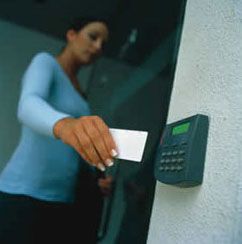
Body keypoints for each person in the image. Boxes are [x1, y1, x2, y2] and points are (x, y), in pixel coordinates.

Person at [0, 16, 118, 244]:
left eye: (103, 44)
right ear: (72, 35)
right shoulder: (46, 63)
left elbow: (73, 151)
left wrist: (95, 181)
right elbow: (28, 105)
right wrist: (67, 124)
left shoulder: (82, 97)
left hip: (61, 202)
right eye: (93, 37)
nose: (97, 47)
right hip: (24, 195)